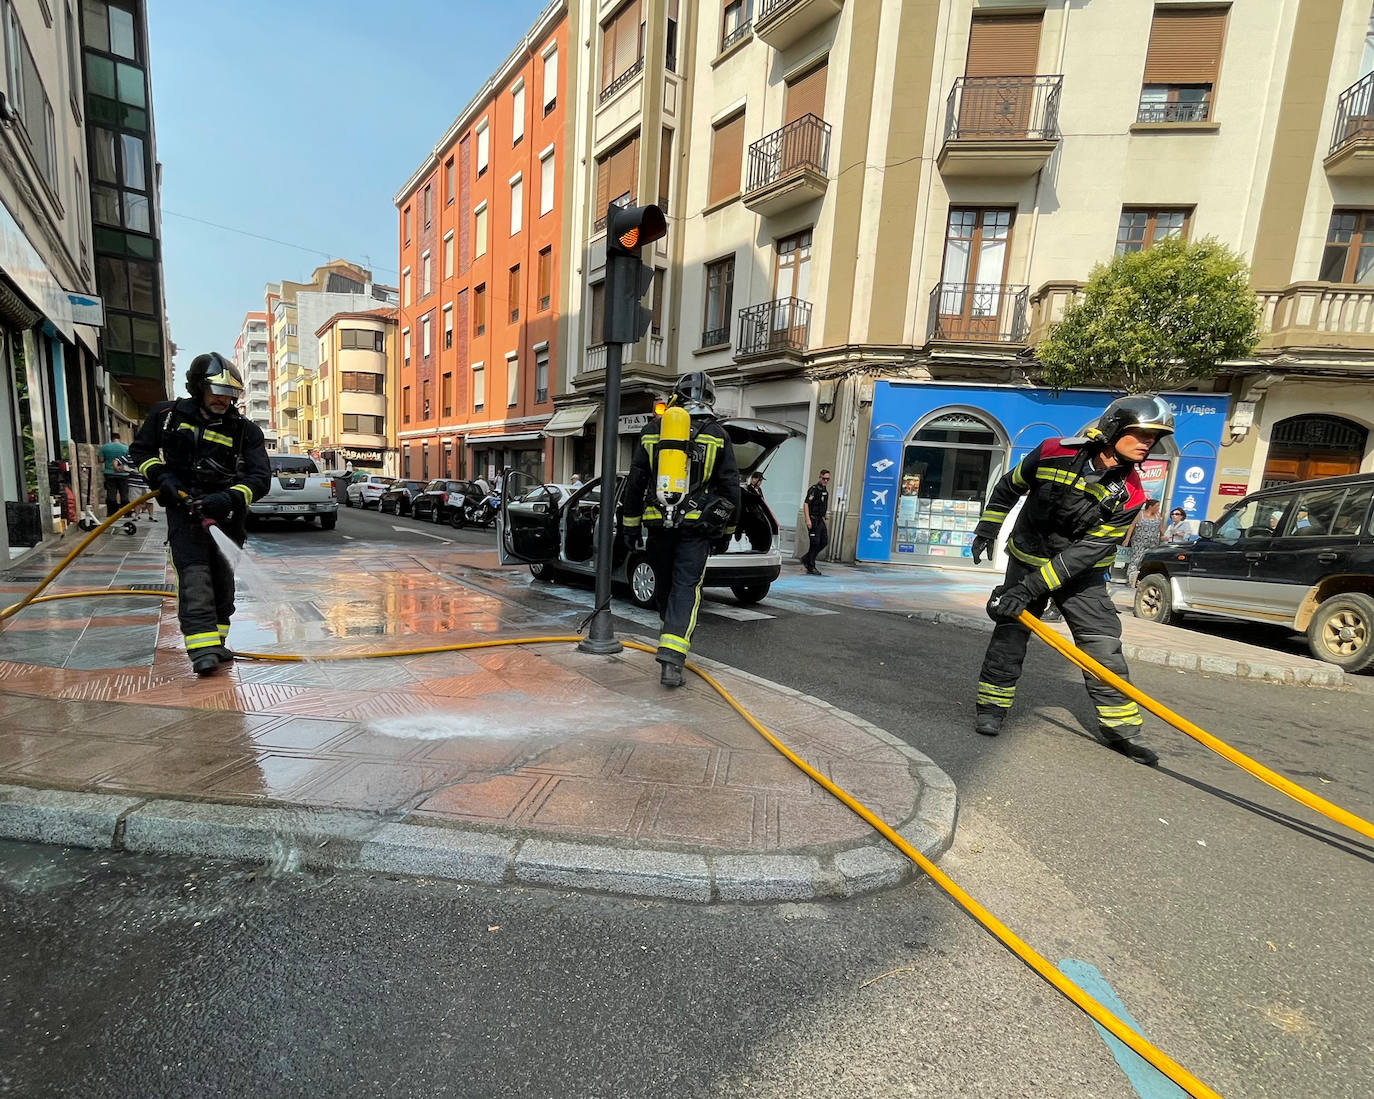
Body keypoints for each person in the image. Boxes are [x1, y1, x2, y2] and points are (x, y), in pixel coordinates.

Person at [970, 394, 1175, 766]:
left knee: (1102, 649)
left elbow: (1082, 556)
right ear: (1114, 428)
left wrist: (1028, 590)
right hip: (1027, 558)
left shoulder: (1132, 495)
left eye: (1154, 437)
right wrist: (987, 528)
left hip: (1081, 576)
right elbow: (1008, 487)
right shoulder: (1050, 451)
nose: (1149, 443)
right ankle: (991, 710)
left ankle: (1123, 731)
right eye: (1142, 433)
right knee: (1009, 638)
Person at [128, 352, 271, 676]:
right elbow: (141, 451)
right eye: (216, 391)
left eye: (230, 394)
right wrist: (161, 478)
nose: (223, 399)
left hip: (227, 515)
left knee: (223, 583)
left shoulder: (245, 430)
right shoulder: (167, 414)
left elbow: (260, 478)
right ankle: (201, 649)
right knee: (194, 578)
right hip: (183, 510)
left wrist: (229, 498)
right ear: (197, 387)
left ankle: (217, 642)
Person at [622, 371, 740, 688]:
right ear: (710, 400)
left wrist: (630, 528)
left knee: (663, 588)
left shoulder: (653, 431)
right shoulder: (718, 434)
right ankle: (672, 659)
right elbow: (731, 491)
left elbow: (634, 483)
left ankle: (668, 638)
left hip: (659, 524)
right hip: (696, 528)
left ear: (678, 396)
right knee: (685, 588)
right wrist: (725, 532)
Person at [1124, 497, 1163, 586]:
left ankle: (1142, 579)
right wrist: (1127, 539)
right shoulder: (1140, 514)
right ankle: (1131, 580)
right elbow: (1132, 526)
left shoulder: (1158, 515)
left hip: (1153, 542)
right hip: (1139, 541)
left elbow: (1161, 528)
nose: (1158, 508)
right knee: (1136, 559)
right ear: (1150, 506)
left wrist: (1163, 536)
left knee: (1148, 561)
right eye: (1157, 506)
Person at [800, 469, 831, 575]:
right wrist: (807, 519)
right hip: (813, 519)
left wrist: (826, 517)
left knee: (824, 541)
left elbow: (824, 506)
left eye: (828, 479)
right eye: (824, 479)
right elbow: (806, 504)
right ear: (820, 477)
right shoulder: (814, 489)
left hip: (820, 519)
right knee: (815, 542)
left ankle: (806, 558)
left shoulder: (825, 491)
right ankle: (810, 565)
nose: (826, 481)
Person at [98, 430, 131, 518]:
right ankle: (126, 513)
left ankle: (112, 512)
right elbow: (129, 460)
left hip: (109, 473)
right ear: (119, 439)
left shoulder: (104, 447)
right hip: (124, 474)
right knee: (124, 493)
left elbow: (100, 460)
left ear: (111, 439)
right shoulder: (126, 448)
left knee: (111, 493)